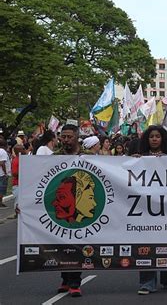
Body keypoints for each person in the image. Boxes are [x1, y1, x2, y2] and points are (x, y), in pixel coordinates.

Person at [132, 125, 167, 294]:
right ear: (147, 140)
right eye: (151, 137)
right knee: (147, 246)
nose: (155, 139)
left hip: (166, 209)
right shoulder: (139, 158)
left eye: (158, 136)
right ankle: (147, 283)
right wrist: (134, 162)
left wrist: (165, 161)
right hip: (145, 210)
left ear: (163, 139)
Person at [54, 124, 89, 297]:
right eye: (63, 137)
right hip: (62, 206)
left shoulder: (89, 156)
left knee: (76, 244)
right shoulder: (54, 157)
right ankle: (65, 279)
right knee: (62, 245)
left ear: (77, 137)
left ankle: (75, 281)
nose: (66, 140)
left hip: (81, 205)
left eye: (69, 137)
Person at [11, 144, 26, 214]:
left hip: (22, 184)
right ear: (19, 151)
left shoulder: (22, 159)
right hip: (17, 185)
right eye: (23, 149)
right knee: (18, 203)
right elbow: (14, 173)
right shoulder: (16, 160)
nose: (25, 150)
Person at [0, 138, 11, 208]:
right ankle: (0, 203)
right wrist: (5, 172)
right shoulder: (3, 151)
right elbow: (2, 163)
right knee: (2, 189)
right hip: (2, 174)